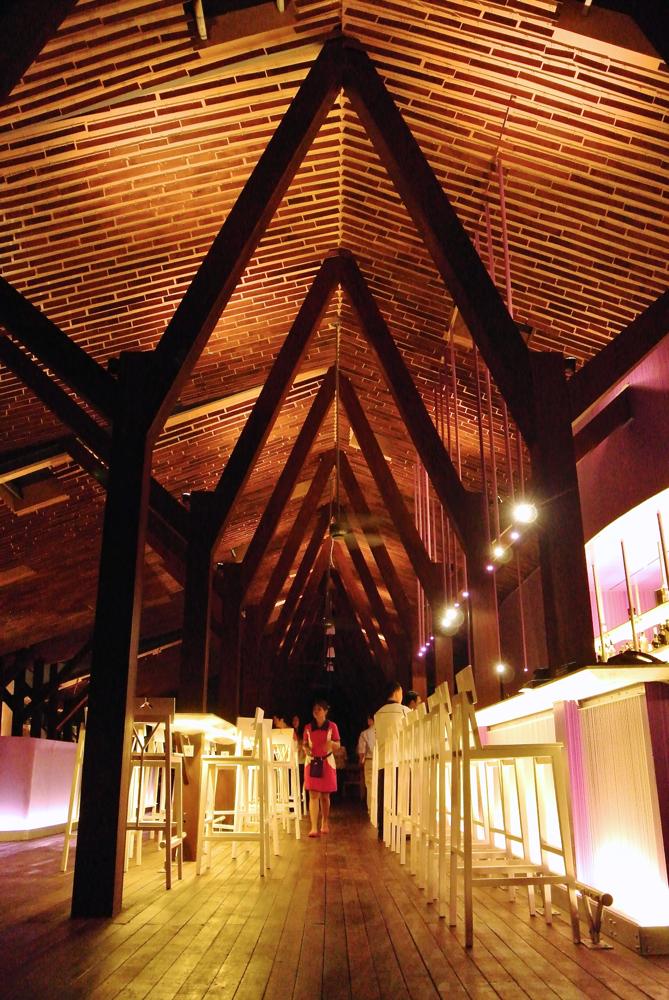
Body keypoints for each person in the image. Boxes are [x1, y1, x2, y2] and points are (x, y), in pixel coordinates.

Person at [373, 681, 410, 839]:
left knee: (384, 795)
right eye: (401, 692)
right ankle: (401, 829)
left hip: (383, 759)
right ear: (396, 692)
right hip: (401, 758)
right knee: (401, 796)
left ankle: (383, 829)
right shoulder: (405, 711)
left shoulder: (378, 714)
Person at [303, 699, 340, 837]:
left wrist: (331, 744)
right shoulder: (308, 727)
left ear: (325, 711)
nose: (316, 711)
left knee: (325, 796)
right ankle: (313, 827)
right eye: (314, 709)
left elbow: (338, 744)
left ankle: (324, 821)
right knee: (313, 795)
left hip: (327, 762)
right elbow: (305, 744)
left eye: (319, 709)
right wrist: (306, 749)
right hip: (312, 762)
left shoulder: (332, 726)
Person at [357, 715, 376, 817]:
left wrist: (361, 762)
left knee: (370, 786)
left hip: (370, 760)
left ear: (370, 720)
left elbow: (362, 751)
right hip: (384, 761)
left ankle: (371, 810)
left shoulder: (365, 733)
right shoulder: (383, 731)